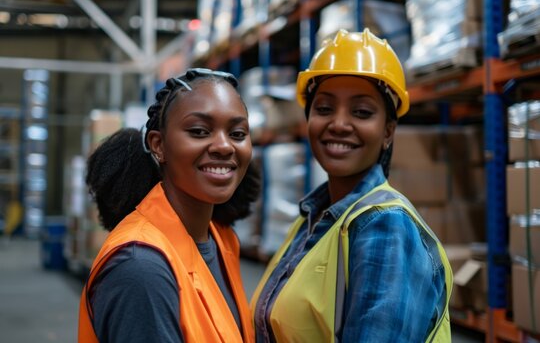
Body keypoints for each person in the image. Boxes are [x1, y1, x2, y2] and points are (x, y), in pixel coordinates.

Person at [250, 29, 453, 342]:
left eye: (361, 112)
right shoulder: (315, 218)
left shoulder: (386, 227)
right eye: (324, 109)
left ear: (388, 131)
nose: (339, 124)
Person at [78, 68, 260, 343]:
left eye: (237, 133)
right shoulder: (141, 267)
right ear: (158, 145)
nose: (224, 146)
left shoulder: (221, 241)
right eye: (199, 131)